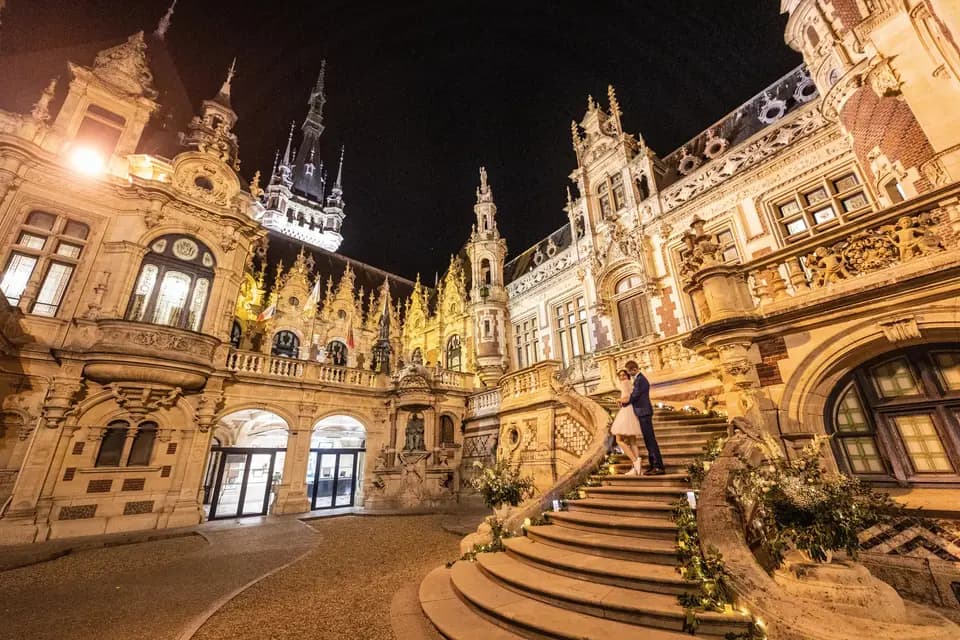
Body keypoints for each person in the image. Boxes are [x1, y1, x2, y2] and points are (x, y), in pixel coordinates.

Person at [623, 360, 665, 475]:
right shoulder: (639, 379)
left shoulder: (640, 380)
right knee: (648, 440)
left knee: (650, 440)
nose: (628, 374)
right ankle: (653, 465)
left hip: (644, 412)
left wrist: (624, 403)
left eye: (629, 371)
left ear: (634, 369)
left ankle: (658, 466)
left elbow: (635, 395)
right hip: (643, 412)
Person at [610, 368, 644, 476]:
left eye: (624, 375)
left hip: (626, 411)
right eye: (620, 376)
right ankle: (637, 469)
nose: (622, 377)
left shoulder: (624, 384)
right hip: (631, 410)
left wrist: (618, 400)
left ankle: (635, 461)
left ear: (627, 376)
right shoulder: (630, 383)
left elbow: (627, 398)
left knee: (619, 439)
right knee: (632, 441)